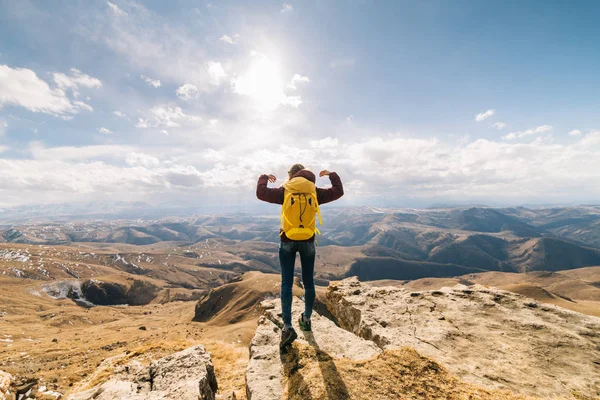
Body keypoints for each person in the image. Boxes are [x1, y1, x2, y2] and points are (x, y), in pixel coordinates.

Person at [256, 164, 344, 348]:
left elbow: (261, 193)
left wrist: (264, 176)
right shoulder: (315, 192)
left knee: (286, 283)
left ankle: (287, 327)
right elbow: (338, 191)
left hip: (287, 240)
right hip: (308, 241)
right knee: (309, 282)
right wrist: (331, 174)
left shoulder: (285, 191)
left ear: (291, 176)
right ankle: (306, 319)